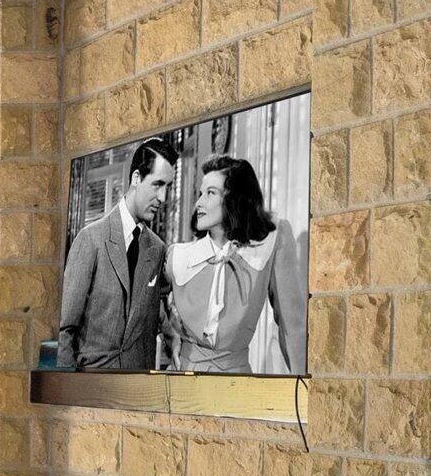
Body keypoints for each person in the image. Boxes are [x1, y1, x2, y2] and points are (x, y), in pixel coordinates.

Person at [163, 155, 308, 374]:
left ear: (234, 199)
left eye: (210, 193)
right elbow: (148, 303)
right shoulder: (178, 256)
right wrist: (170, 334)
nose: (198, 203)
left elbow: (293, 325)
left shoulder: (270, 243)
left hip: (238, 387)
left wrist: (303, 388)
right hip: (183, 381)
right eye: (200, 193)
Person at [55, 136, 177, 370]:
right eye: (158, 184)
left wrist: (174, 336)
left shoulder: (157, 248)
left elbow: (151, 314)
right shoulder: (91, 239)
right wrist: (69, 388)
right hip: (92, 386)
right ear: (136, 178)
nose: (163, 198)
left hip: (136, 389)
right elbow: (65, 329)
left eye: (168, 187)